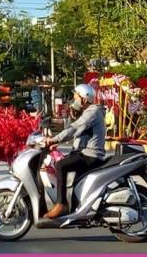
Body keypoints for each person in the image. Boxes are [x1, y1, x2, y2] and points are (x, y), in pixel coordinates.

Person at [41, 84, 106, 219]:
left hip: (90, 155)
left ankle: (61, 204)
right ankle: (76, 211)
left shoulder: (92, 112)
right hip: (84, 153)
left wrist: (53, 139)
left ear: (83, 98)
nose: (73, 99)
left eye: (75, 97)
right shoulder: (89, 112)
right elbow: (78, 134)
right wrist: (57, 142)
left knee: (60, 165)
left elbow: (74, 129)